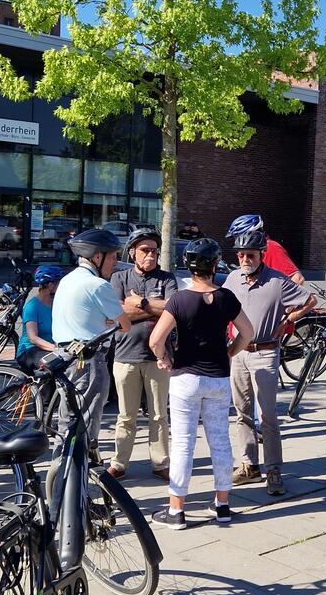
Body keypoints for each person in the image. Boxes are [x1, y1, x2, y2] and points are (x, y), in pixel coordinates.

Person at [148, 238, 254, 529]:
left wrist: (164, 358)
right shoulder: (226, 297)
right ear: (215, 264)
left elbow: (156, 340)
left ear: (188, 265)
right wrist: (230, 352)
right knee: (220, 441)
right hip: (218, 377)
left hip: (186, 377)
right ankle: (221, 505)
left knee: (183, 443)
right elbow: (248, 332)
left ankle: (176, 510)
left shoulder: (179, 300)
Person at [227, 227, 315, 496]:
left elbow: (310, 299)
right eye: (241, 255)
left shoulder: (277, 281)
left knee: (267, 415)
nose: (244, 259)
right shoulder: (232, 279)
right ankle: (248, 464)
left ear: (261, 255)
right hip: (238, 352)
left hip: (265, 352)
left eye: (250, 255)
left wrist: (289, 319)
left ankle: (274, 469)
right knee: (242, 413)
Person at [108, 227, 177, 480]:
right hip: (125, 356)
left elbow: (174, 309)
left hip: (159, 358)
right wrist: (156, 309)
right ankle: (119, 463)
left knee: (159, 414)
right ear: (133, 252)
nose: (150, 255)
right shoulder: (120, 278)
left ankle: (160, 463)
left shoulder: (167, 278)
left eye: (154, 251)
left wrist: (142, 303)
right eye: (145, 250)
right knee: (126, 415)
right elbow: (118, 314)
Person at [51, 228, 131, 450]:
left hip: (63, 355)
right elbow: (125, 325)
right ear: (98, 256)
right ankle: (80, 473)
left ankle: (61, 467)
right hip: (88, 359)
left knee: (67, 417)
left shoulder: (67, 280)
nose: (115, 262)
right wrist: (111, 319)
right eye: (113, 256)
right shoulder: (98, 285)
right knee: (87, 417)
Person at [227, 214, 304, 285]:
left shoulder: (271, 247)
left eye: (237, 237)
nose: (237, 241)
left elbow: (297, 279)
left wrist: (278, 298)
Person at [15, 264, 64, 374]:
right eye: (59, 283)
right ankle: (42, 391)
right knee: (54, 364)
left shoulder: (57, 303)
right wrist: (55, 348)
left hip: (49, 348)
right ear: (51, 285)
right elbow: (33, 338)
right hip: (29, 350)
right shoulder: (32, 307)